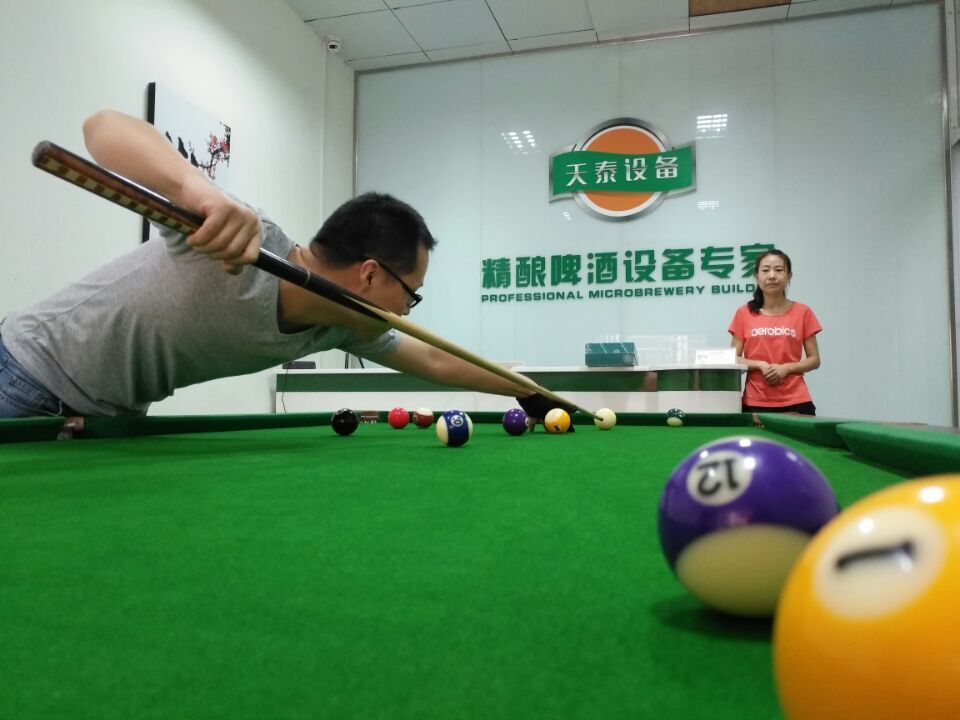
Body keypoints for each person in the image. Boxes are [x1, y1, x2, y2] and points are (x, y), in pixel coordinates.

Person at [0, 110, 563, 420]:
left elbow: (438, 362)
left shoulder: (340, 324)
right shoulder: (242, 238)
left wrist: (524, 388)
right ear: (369, 275)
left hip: (108, 417)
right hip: (24, 374)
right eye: (411, 294)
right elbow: (101, 127)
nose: (408, 310)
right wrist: (200, 190)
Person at [727, 249, 821, 416]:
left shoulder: (803, 311)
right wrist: (760, 365)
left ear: (789, 276)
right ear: (756, 276)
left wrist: (786, 368)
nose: (771, 275)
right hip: (754, 401)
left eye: (778, 270)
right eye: (765, 270)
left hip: (796, 401)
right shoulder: (744, 312)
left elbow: (814, 360)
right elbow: (733, 358)